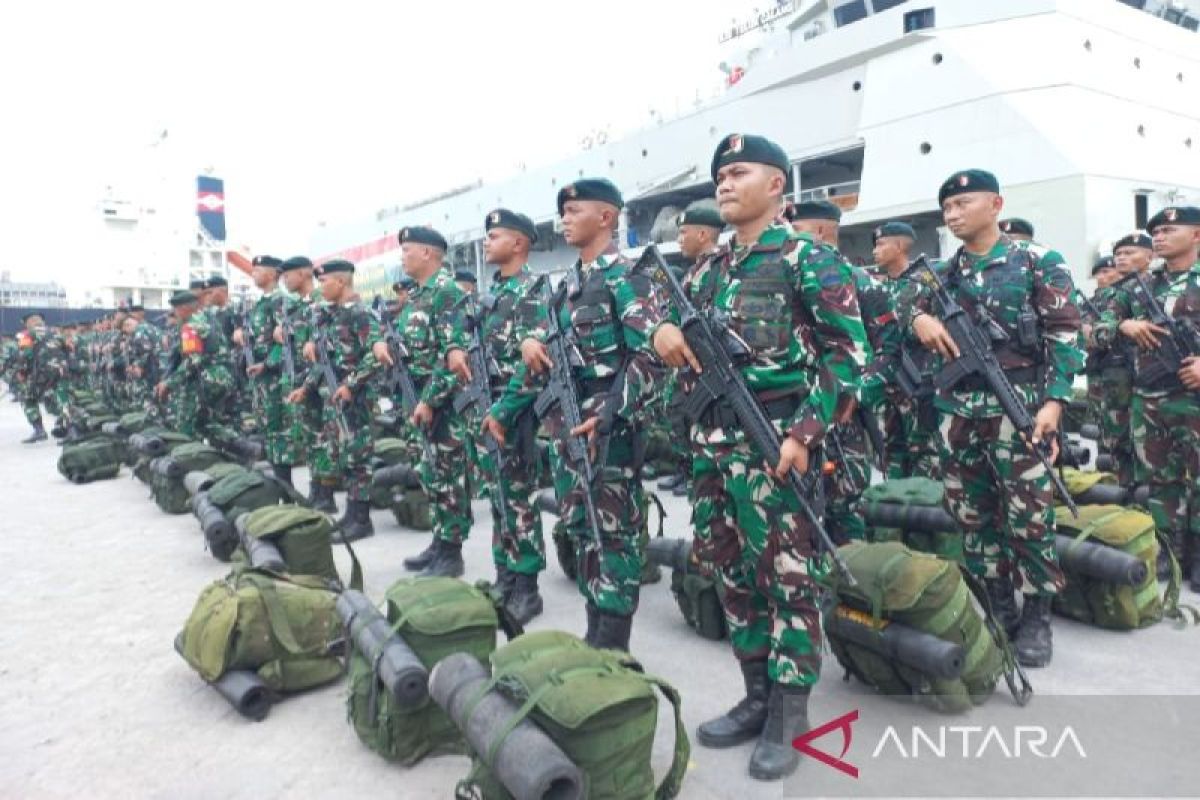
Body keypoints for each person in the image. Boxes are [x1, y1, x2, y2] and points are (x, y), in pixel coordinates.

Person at [654, 133, 868, 780]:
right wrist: (662, 329)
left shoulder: (808, 259)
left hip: (777, 447)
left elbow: (848, 359)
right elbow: (672, 328)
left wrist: (803, 434)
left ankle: (790, 710)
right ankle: (756, 694)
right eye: (719, 173)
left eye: (738, 172)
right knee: (731, 571)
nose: (723, 182)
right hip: (713, 447)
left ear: (776, 185)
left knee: (788, 578)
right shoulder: (707, 267)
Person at [911, 169, 1083, 666]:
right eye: (947, 206)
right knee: (971, 514)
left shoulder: (1037, 262)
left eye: (964, 202)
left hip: (1021, 412)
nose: (953, 213)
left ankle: (1037, 617)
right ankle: (998, 603)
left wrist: (1053, 403)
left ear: (996, 205)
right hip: (958, 415)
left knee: (1029, 516)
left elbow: (1066, 334)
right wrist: (918, 316)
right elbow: (895, 300)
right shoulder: (939, 273)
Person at [486, 177, 665, 652]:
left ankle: (614, 647)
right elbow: (543, 361)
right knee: (581, 531)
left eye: (574, 209)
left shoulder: (627, 275)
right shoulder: (566, 286)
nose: (563, 218)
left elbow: (653, 353)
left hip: (606, 432)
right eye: (561, 211)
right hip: (565, 430)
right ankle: (595, 633)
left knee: (613, 537)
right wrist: (504, 411)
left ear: (605, 216)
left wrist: (612, 410)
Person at [1096, 206, 1200, 591]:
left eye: (1169, 229)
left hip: (1194, 396)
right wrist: (1125, 323)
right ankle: (1168, 552)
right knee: (1160, 481)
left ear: (1196, 235)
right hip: (1150, 399)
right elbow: (1095, 326)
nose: (1159, 236)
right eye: (1156, 230)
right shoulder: (1139, 286)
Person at [455, 209, 548, 623]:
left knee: (519, 500)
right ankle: (505, 574)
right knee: (497, 498)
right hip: (486, 406)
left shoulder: (532, 291)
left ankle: (527, 586)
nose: (487, 242)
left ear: (519, 244)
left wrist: (502, 411)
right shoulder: (491, 295)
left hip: (512, 413)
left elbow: (534, 366)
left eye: (494, 236)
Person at [393, 226, 473, 577]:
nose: (402, 256)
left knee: (448, 476)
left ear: (427, 253)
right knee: (431, 474)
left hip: (443, 407)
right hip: (417, 402)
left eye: (407, 249)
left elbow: (454, 355)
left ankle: (452, 554)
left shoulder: (447, 292)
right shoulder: (417, 296)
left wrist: (428, 400)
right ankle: (440, 541)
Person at [287, 260, 383, 541]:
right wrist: (306, 387)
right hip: (333, 398)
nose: (320, 288)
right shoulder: (331, 317)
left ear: (340, 282)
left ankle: (361, 519)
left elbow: (374, 356)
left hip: (355, 400)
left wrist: (351, 385)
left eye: (325, 281)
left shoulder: (361, 314)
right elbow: (324, 361)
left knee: (358, 458)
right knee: (344, 455)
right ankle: (351, 515)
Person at [658, 205, 725, 498]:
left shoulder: (723, 269)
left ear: (702, 234)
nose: (679, 239)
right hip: (692, 372)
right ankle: (687, 471)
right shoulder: (690, 275)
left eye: (684, 233)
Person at [871, 221, 943, 479]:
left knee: (924, 454)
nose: (874, 252)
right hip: (886, 388)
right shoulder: (876, 288)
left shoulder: (925, 283)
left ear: (900, 246)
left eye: (880, 244)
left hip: (918, 385)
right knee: (890, 453)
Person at [13, 312, 69, 443]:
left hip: (42, 374)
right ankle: (70, 429)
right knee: (62, 398)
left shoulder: (27, 335)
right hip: (62, 371)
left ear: (29, 323)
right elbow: (68, 350)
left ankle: (39, 430)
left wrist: (22, 372)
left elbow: (24, 355)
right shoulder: (56, 333)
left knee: (28, 398)